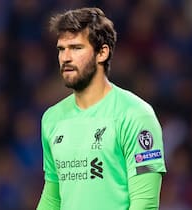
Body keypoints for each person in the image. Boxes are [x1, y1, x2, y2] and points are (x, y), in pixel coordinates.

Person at [36, 7, 166, 210]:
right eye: (62, 49)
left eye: (76, 48)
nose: (66, 57)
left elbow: (145, 204)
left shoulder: (136, 115)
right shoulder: (52, 118)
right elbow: (53, 198)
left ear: (102, 53)